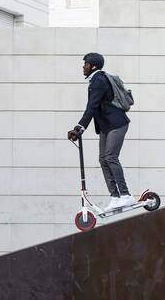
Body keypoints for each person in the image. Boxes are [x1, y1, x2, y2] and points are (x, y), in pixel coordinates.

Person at [68, 53, 134, 211]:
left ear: (94, 66)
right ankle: (115, 197)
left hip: (117, 124)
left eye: (86, 64)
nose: (83, 67)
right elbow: (93, 107)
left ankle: (126, 195)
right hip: (107, 126)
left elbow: (92, 106)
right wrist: (79, 128)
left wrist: (79, 127)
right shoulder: (96, 80)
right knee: (103, 159)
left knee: (110, 157)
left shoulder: (99, 81)